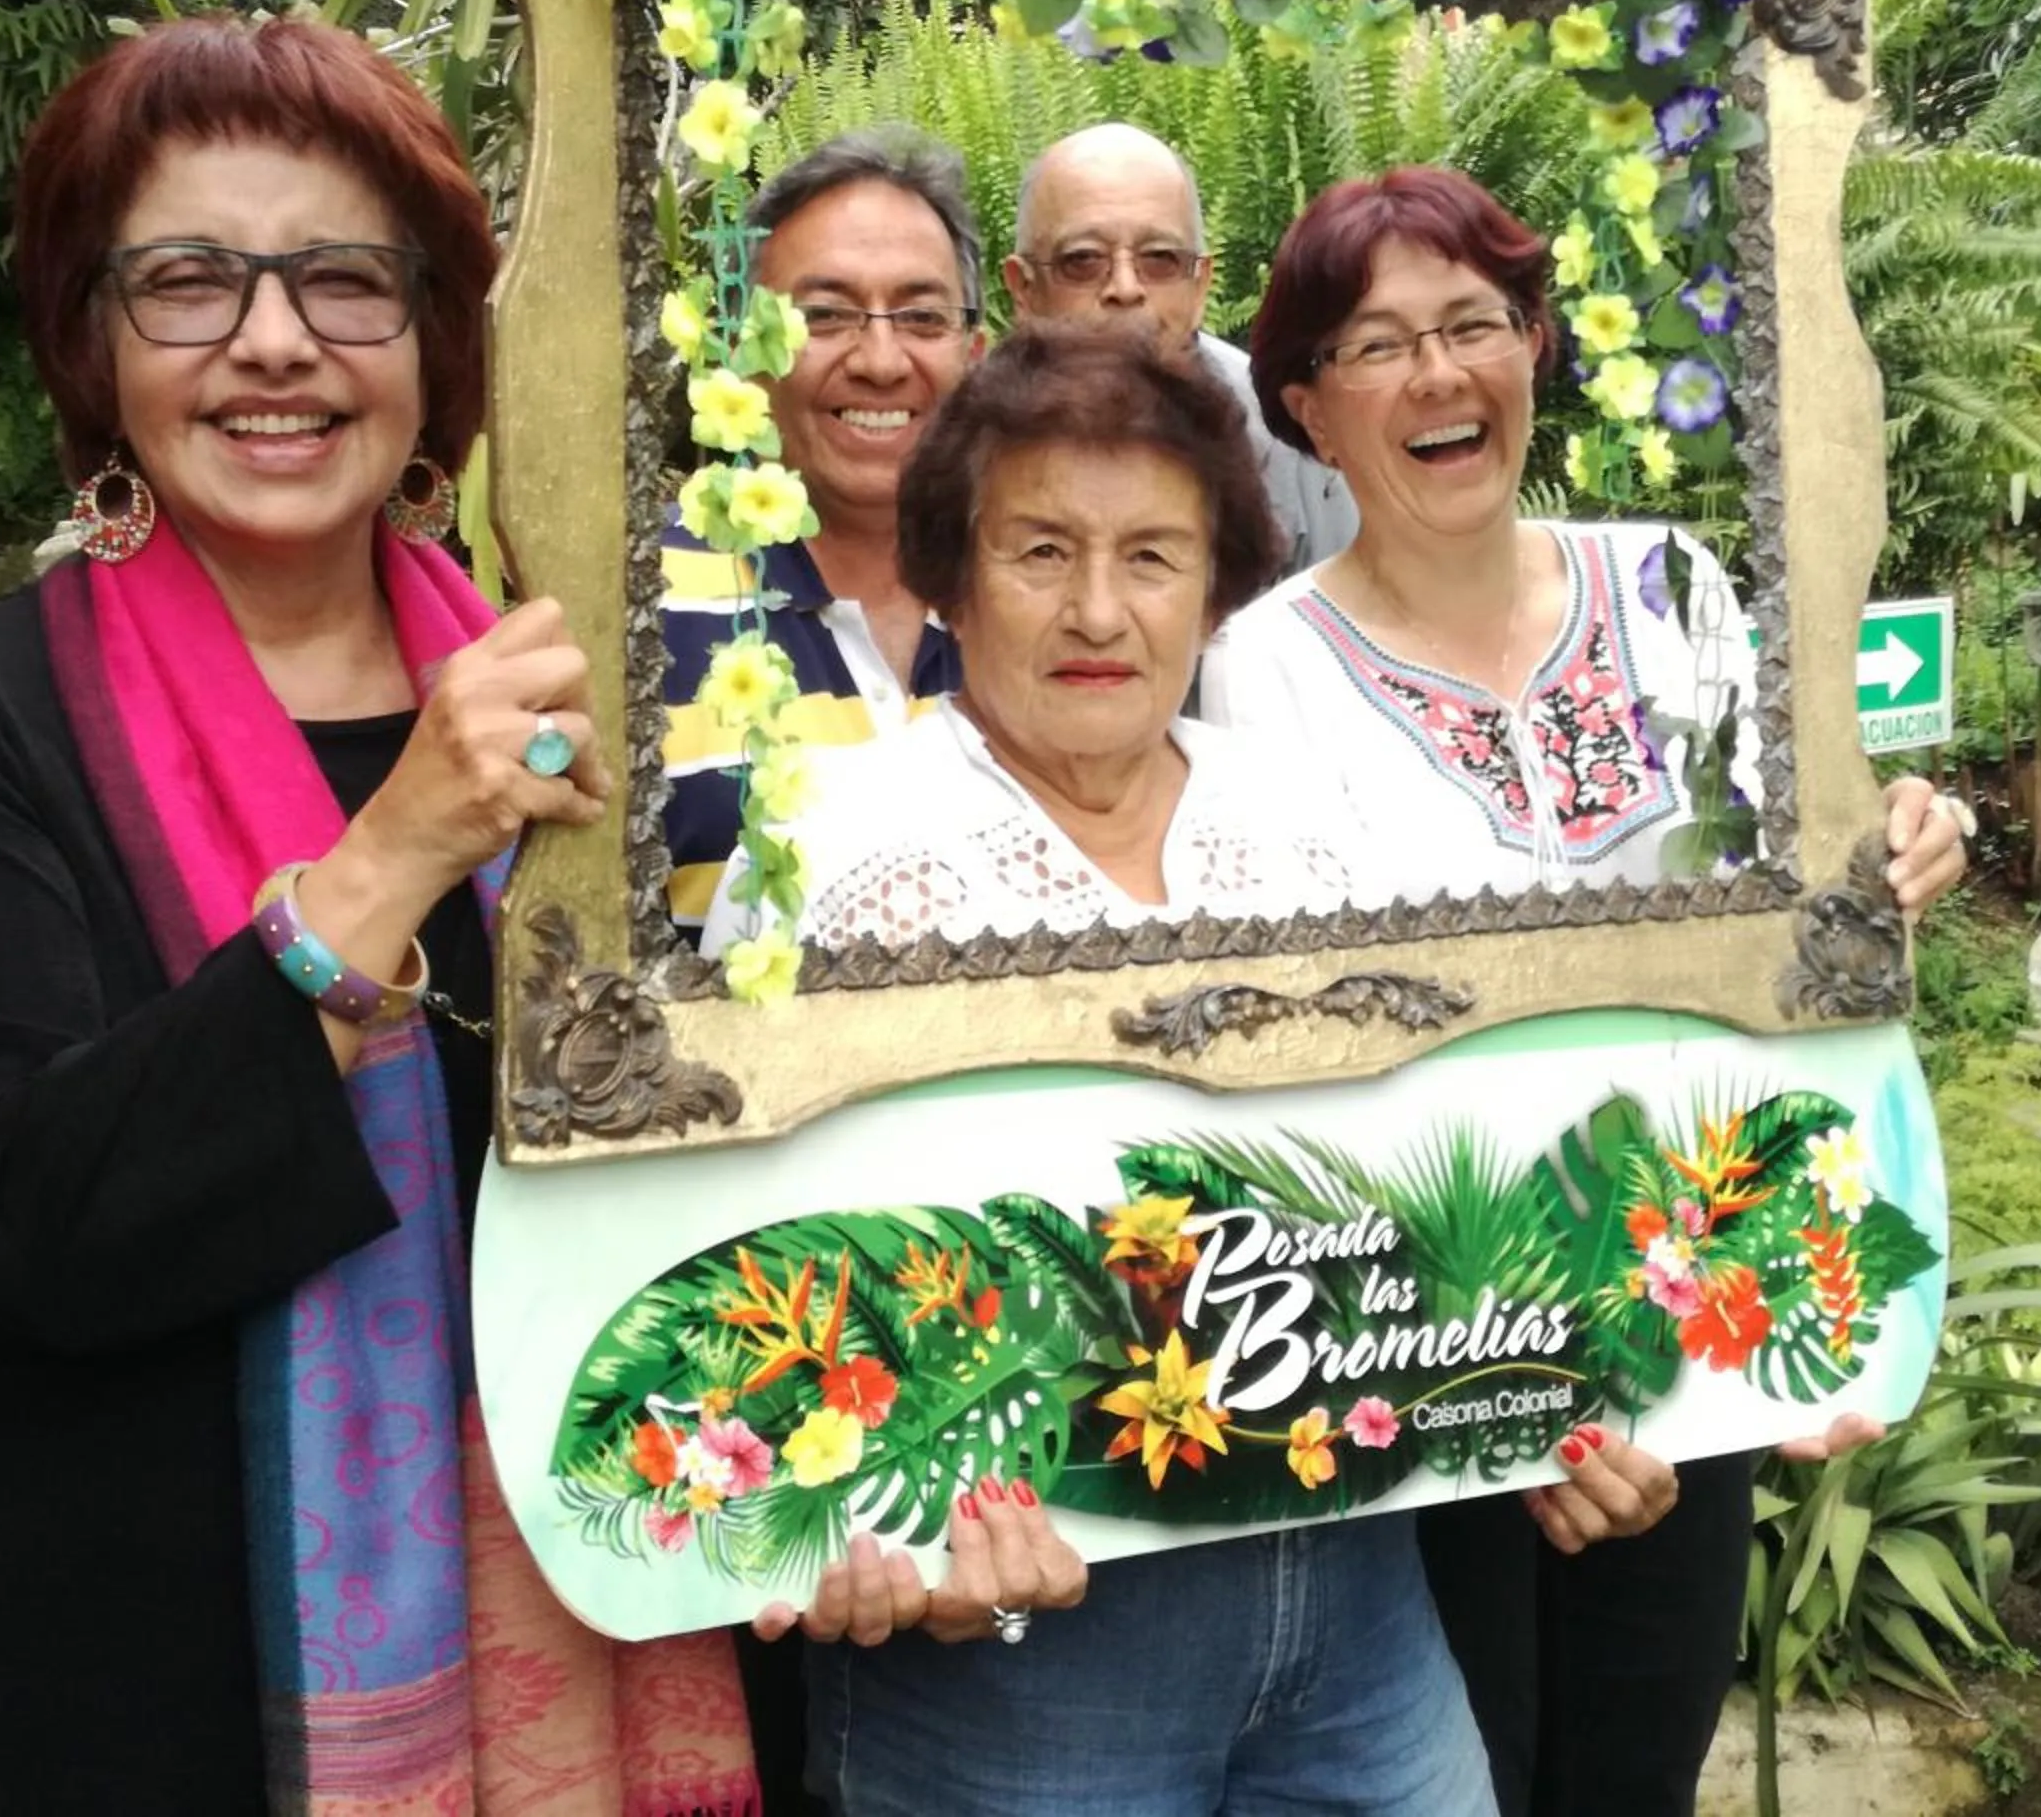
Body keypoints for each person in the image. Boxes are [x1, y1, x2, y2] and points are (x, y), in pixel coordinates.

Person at [0, 17, 763, 1816]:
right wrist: (390, 856)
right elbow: (7, 1227)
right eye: (190, 281)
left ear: (436, 343)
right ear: (94, 341)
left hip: (560, 1615)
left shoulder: (586, 703)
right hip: (69, 1670)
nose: (274, 340)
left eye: (346, 281)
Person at [708, 322, 1685, 1817]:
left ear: (1216, 586)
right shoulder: (836, 849)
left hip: (1362, 1618)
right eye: (1040, 549)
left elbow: (1456, 1160)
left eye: (1154, 555)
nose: (1098, 607)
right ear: (953, 572)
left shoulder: (1327, 824)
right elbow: (736, 1256)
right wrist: (842, 1521)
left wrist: (1564, 1404)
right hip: (1018, 1657)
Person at [1201, 165, 1969, 1817]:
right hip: (1431, 1341)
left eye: (1474, 324)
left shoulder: (1674, 593)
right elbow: (1311, 1056)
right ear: (1307, 410)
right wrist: (1526, 1385)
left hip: (1693, 1324)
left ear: (1537, 348)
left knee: (1637, 1774)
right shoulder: (1259, 670)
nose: (1437, 376)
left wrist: (1898, 837)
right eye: (1380, 345)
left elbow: (1789, 912)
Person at [660, 127, 984, 941]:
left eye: (921, 315)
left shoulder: (1054, 593)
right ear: (744, 349)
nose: (881, 360)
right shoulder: (635, 604)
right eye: (826, 315)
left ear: (975, 354)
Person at [1006, 122, 1358, 573]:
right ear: (1023, 289)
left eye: (1159, 259)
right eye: (1083, 260)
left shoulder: (1283, 436)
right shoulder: (969, 444)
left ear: (1200, 286)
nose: (1125, 288)